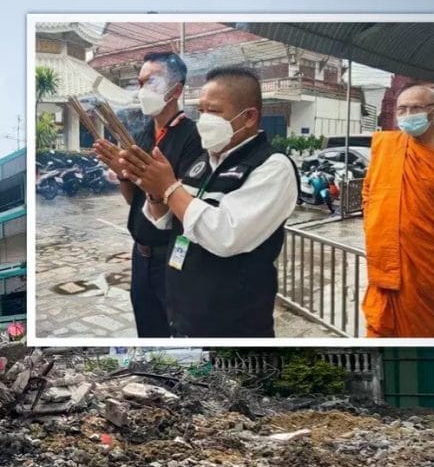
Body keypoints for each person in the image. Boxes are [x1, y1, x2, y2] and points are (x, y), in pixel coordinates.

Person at [120, 66, 298, 337]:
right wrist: (155, 193)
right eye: (200, 111)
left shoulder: (272, 167)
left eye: (213, 111)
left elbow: (225, 235)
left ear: (249, 117)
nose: (203, 120)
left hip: (232, 327)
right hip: (183, 318)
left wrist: (168, 187)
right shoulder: (203, 163)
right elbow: (170, 221)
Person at [92, 52, 203, 337]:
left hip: (174, 252)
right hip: (141, 254)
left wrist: (157, 186)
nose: (142, 91)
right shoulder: (142, 136)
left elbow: (186, 208)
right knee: (148, 329)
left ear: (176, 90)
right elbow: (133, 200)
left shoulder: (194, 137)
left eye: (151, 82)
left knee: (177, 330)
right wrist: (122, 173)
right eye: (140, 83)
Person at [362, 84, 434, 337]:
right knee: (381, 329)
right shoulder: (386, 146)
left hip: (432, 256)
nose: (407, 114)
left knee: (428, 332)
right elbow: (369, 193)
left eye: (415, 108)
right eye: (402, 109)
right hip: (387, 256)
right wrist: (377, 234)